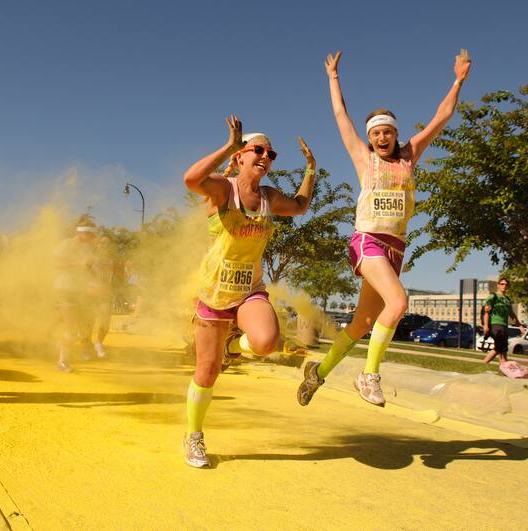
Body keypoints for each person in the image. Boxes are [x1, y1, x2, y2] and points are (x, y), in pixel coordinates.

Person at [298, 50, 472, 408]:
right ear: (370, 137)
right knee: (398, 302)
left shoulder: (409, 156)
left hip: (395, 248)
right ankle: (370, 375)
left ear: (396, 134)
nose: (381, 137)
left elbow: (442, 118)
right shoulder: (365, 158)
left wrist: (457, 81)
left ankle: (319, 371)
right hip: (368, 241)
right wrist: (333, 77)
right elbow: (340, 115)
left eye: (387, 132)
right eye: (375, 133)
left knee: (362, 322)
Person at [182, 115, 315, 467]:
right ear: (241, 156)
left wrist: (311, 170)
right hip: (213, 292)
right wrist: (227, 144)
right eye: (258, 150)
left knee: (265, 342)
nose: (265, 157)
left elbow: (300, 207)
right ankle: (194, 436)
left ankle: (233, 343)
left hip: (249, 290)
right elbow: (191, 179)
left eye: (271, 154)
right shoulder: (224, 190)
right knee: (207, 373)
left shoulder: (269, 197)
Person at [53, 218, 99, 372]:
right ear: (82, 233)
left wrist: (96, 283)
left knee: (86, 328)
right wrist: (77, 264)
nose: (93, 238)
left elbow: (88, 269)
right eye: (91, 235)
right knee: (71, 328)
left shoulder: (88, 248)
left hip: (82, 291)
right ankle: (63, 361)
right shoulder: (66, 245)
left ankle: (60, 344)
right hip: (66, 289)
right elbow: (56, 264)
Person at [86, 236, 123, 358]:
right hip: (91, 293)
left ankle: (98, 343)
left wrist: (118, 280)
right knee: (89, 323)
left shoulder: (113, 260)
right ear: (98, 245)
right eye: (102, 243)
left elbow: (120, 277)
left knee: (106, 323)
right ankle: (86, 348)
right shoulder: (91, 258)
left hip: (105, 293)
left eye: (107, 243)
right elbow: (82, 273)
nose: (105, 245)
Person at [482, 278, 526, 365]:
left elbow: (512, 314)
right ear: (498, 285)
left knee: (503, 348)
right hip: (495, 324)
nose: (504, 286)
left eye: (506, 284)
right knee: (499, 347)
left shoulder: (507, 299)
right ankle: (485, 362)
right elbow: (486, 313)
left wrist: (520, 326)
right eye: (502, 284)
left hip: (504, 325)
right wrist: (486, 326)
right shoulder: (493, 296)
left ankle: (503, 365)